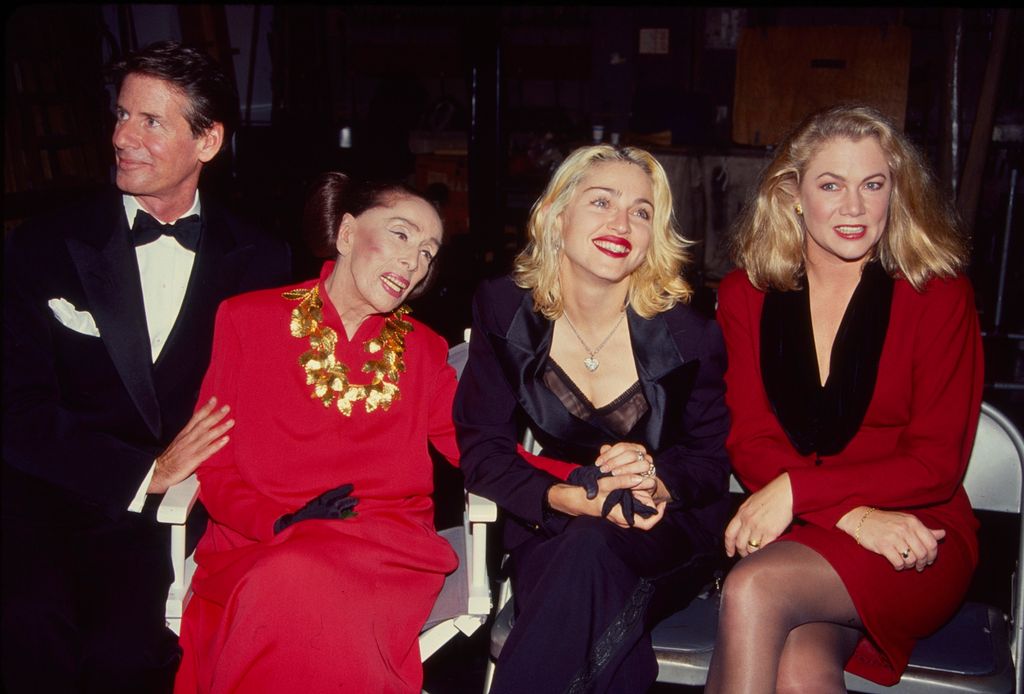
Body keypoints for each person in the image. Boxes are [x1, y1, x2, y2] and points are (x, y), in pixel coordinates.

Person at [1, 40, 290, 693]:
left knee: (132, 658)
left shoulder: (261, 259)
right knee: (31, 641)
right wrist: (144, 470)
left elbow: (263, 405)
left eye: (150, 121)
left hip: (173, 519)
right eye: (121, 116)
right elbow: (16, 411)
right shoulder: (43, 244)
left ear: (208, 142)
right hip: (44, 503)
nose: (121, 137)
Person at [705, 104, 983, 692]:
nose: (854, 208)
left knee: (754, 586)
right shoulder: (746, 295)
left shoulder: (937, 294)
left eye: (873, 184)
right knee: (800, 670)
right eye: (831, 185)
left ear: (896, 193)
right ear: (794, 194)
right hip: (808, 527)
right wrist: (850, 516)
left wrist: (799, 489)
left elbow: (936, 463)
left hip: (916, 533)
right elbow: (750, 441)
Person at [172, 172, 466, 693]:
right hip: (260, 543)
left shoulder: (424, 348)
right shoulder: (246, 319)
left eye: (427, 252)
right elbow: (213, 461)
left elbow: (476, 445)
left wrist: (571, 475)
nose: (413, 261)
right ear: (348, 234)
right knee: (287, 576)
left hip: (381, 547)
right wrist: (278, 520)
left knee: (298, 580)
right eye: (401, 235)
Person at [453, 144, 732, 693]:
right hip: (554, 518)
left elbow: (709, 462)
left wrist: (657, 481)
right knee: (585, 551)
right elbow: (482, 448)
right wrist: (563, 499)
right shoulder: (505, 309)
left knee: (588, 553)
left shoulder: (689, 334)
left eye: (641, 211)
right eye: (601, 201)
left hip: (664, 529)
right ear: (557, 216)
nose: (621, 223)